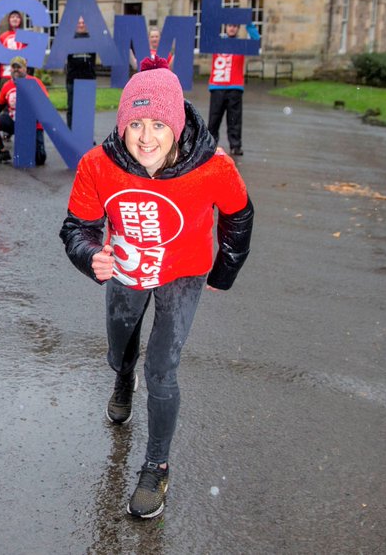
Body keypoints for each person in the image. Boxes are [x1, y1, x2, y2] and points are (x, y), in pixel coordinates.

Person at [59, 68, 254, 518]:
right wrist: (90, 255)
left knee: (162, 369)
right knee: (119, 350)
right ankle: (122, 378)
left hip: (183, 272)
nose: (146, 138)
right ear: (122, 124)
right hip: (127, 270)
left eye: (159, 125)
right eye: (136, 124)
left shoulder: (212, 165)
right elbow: (77, 227)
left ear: (177, 126)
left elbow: (239, 215)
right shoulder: (98, 164)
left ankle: (156, 466)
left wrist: (224, 270)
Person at [207, 22, 261, 155]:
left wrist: (248, 22)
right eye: (230, 25)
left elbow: (256, 41)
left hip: (234, 87)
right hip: (217, 86)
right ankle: (210, 146)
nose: (232, 28)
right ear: (225, 27)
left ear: (238, 28)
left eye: (235, 26)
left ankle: (235, 145)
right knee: (214, 119)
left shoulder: (241, 44)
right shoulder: (217, 42)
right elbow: (207, 33)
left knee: (234, 119)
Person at [0, 56, 46, 166]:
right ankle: (2, 151)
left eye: (19, 67)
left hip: (32, 124)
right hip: (14, 121)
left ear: (25, 69)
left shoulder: (35, 82)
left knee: (39, 159)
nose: (16, 69)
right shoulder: (7, 86)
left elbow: (44, 105)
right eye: (13, 67)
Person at [65, 17, 97, 128]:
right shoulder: (69, 39)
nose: (81, 25)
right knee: (72, 109)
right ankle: (71, 133)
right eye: (79, 22)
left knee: (86, 110)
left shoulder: (93, 39)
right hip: (72, 79)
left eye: (83, 22)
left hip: (88, 79)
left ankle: (85, 134)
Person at [0, 10, 27, 81]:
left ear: (20, 20)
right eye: (12, 17)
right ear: (9, 20)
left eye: (17, 17)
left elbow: (29, 57)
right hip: (6, 73)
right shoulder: (3, 37)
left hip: (21, 74)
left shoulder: (25, 37)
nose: (15, 19)